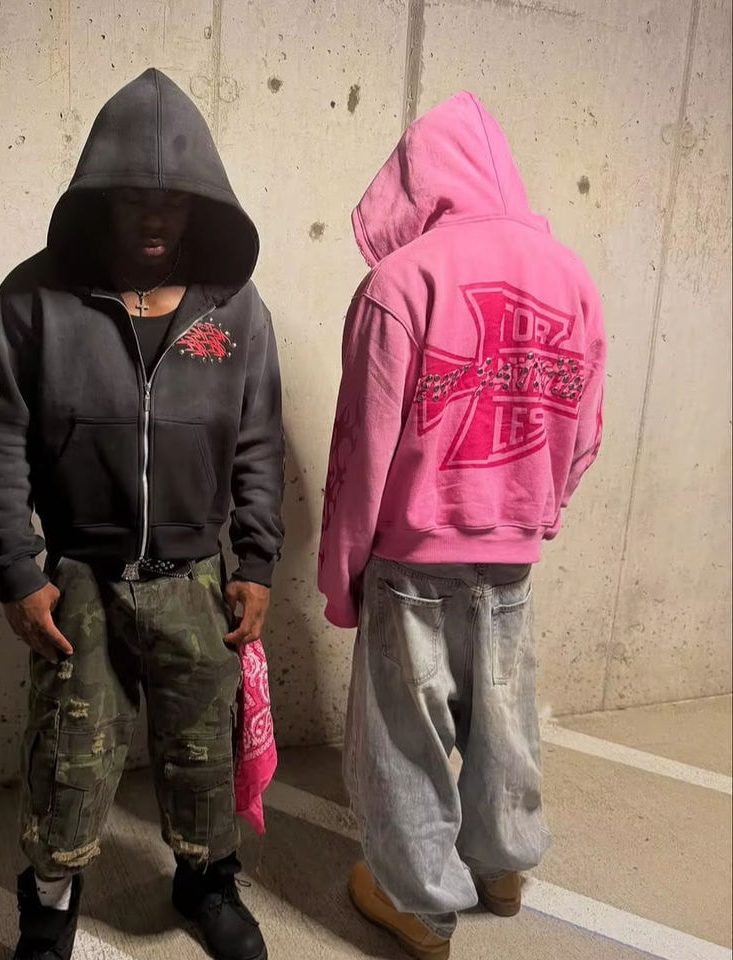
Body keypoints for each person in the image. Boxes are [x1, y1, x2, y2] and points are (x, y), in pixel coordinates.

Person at [0, 68, 283, 960]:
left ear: (199, 202)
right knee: (68, 760)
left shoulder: (235, 307)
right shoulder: (32, 298)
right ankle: (49, 909)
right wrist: (15, 569)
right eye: (136, 197)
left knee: (203, 751)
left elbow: (259, 440)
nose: (155, 217)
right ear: (102, 196)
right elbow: (0, 436)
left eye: (173, 200)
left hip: (196, 580)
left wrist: (257, 560)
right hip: (80, 579)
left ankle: (206, 882)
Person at [318, 92, 605, 959]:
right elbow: (585, 429)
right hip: (512, 553)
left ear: (416, 181)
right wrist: (533, 510)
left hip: (411, 556)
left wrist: (341, 576)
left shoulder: (401, 283)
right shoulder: (570, 276)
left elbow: (361, 450)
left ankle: (415, 903)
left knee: (405, 737)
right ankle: (503, 867)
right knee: (504, 717)